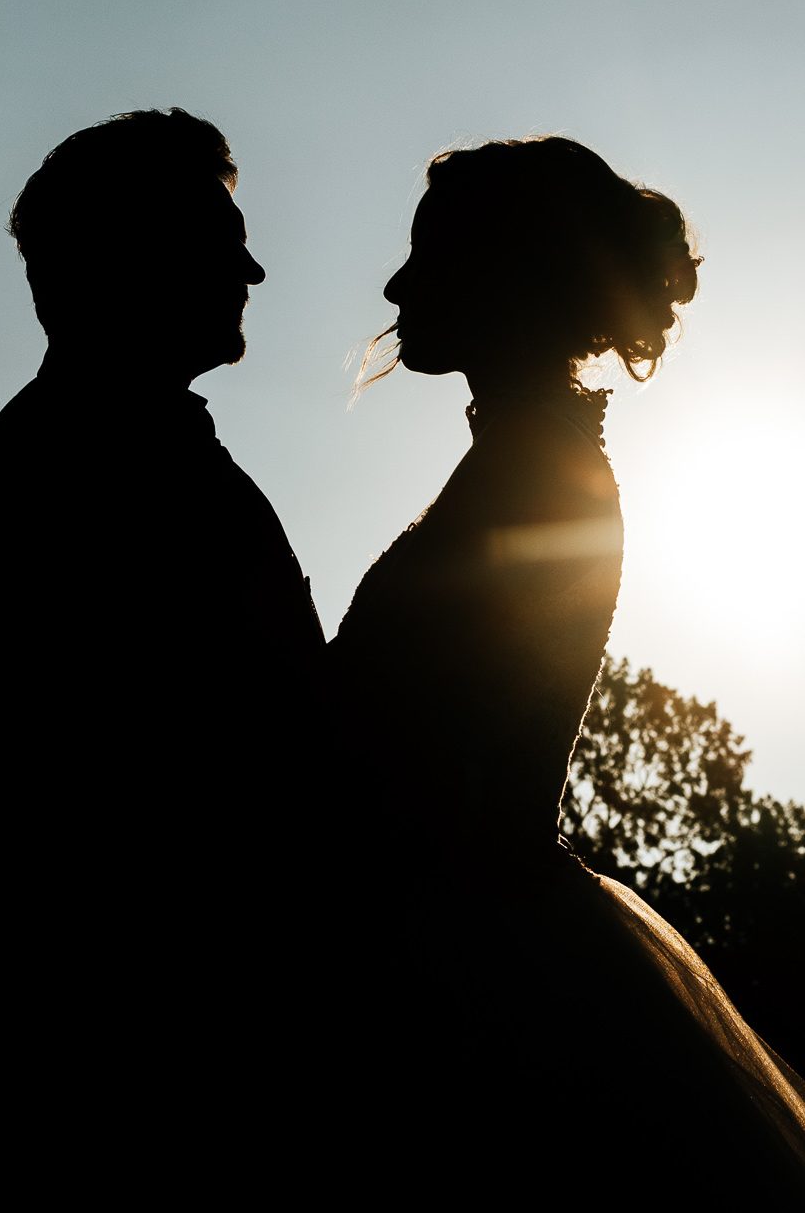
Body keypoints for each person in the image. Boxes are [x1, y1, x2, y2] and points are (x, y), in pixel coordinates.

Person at [330, 136, 805, 1196]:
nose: (397, 284)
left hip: (464, 969)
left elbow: (434, 754)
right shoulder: (524, 461)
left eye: (429, 254)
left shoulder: (533, 476)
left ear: (508, 274)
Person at [0, 106, 324, 702]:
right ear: (133, 254)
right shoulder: (88, 453)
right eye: (219, 242)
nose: (252, 272)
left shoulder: (96, 435)